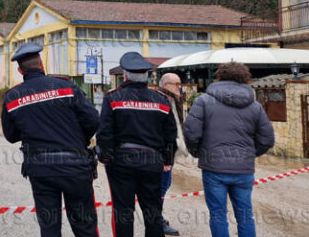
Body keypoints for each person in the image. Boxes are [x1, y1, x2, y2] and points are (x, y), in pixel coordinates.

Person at [1, 43, 100, 237]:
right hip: (76, 166)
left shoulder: (12, 97)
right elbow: (93, 119)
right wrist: (79, 140)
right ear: (42, 64)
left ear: (20, 70)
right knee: (85, 226)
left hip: (40, 169)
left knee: (49, 228)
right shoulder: (67, 87)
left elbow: (11, 136)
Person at [183, 62, 274, 237]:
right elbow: (267, 139)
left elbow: (191, 132)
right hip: (243, 169)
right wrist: (248, 154)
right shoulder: (255, 106)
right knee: (245, 215)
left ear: (219, 77)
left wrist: (198, 152)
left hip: (213, 168)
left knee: (218, 215)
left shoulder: (203, 101)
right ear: (245, 78)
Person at [97, 52, 176, 237]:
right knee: (153, 212)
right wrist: (167, 159)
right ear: (147, 76)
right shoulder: (161, 100)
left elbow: (104, 132)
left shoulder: (113, 98)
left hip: (121, 162)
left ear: (125, 75)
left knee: (124, 213)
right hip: (152, 162)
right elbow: (170, 135)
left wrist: (107, 158)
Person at [156, 73, 183, 236]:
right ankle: (157, 220)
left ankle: (157, 217)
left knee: (164, 185)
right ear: (166, 85)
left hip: (168, 152)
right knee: (161, 187)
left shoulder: (173, 100)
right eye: (176, 83)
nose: (180, 86)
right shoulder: (165, 101)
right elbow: (166, 132)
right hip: (163, 154)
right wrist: (167, 158)